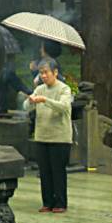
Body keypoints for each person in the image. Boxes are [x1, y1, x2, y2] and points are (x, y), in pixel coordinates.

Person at [27, 59, 74, 213]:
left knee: (58, 171)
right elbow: (26, 107)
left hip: (60, 138)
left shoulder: (64, 89)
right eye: (41, 73)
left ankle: (60, 203)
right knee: (44, 172)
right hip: (41, 136)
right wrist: (30, 101)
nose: (44, 76)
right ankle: (47, 202)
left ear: (55, 72)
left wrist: (45, 100)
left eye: (46, 72)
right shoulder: (39, 89)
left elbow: (63, 106)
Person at [0, 54, 33, 143]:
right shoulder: (1, 71)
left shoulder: (3, 71)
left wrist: (30, 93)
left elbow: (17, 84)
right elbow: (18, 84)